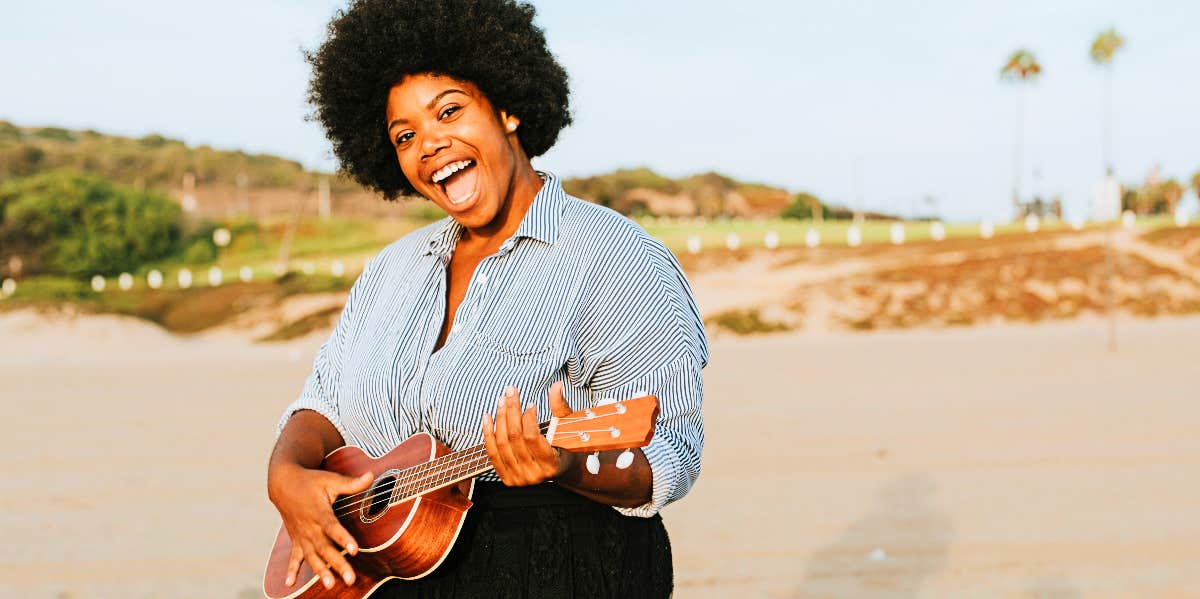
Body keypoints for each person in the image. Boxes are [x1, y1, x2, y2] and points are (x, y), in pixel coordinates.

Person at [266, 0, 708, 596]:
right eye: (405, 135)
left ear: (507, 108)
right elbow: (322, 405)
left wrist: (569, 464)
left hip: (562, 571)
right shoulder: (391, 270)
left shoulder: (616, 259)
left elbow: (668, 456)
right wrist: (285, 475)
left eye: (449, 110)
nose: (429, 144)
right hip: (389, 573)